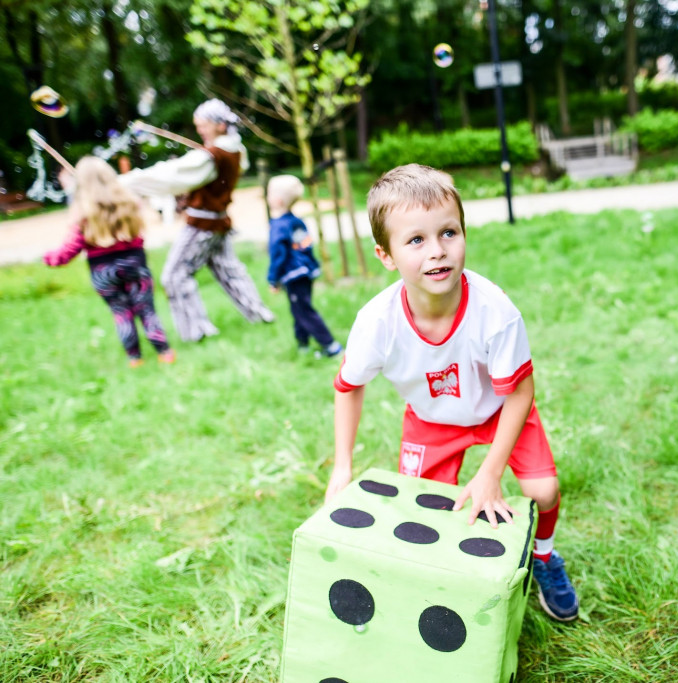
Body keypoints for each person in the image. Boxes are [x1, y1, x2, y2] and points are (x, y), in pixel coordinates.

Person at [325, 164, 579, 622]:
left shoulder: (495, 311)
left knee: (543, 490)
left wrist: (489, 472)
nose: (438, 252)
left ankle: (543, 557)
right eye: (416, 240)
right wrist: (342, 466)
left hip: (500, 410)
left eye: (448, 232)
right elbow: (348, 386)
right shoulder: (376, 322)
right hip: (431, 420)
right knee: (427, 513)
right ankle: (442, 584)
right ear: (386, 255)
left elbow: (521, 394)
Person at [120, 98, 274, 342]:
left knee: (174, 276)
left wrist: (124, 182)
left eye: (204, 126)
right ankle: (260, 314)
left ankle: (197, 331)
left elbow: (172, 176)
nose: (200, 131)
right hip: (219, 223)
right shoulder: (234, 150)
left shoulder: (211, 156)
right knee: (229, 271)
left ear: (220, 125)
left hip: (203, 225)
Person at [43, 156, 175, 368]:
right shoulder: (129, 202)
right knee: (146, 309)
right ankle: (165, 353)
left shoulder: (82, 211)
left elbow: (71, 247)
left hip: (102, 271)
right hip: (134, 264)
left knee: (121, 313)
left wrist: (51, 258)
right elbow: (139, 236)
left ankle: (135, 359)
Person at [265, 174, 343, 358]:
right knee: (299, 308)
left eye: (268, 193)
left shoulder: (278, 226)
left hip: (293, 275)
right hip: (306, 272)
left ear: (276, 200)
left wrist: (272, 278)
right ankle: (303, 345)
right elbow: (306, 245)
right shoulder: (296, 222)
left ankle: (330, 346)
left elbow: (278, 255)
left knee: (304, 310)